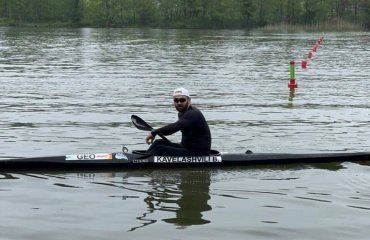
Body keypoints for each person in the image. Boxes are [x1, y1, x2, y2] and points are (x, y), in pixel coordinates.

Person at [145, 87, 211, 156]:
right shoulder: (182, 113)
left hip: (198, 153)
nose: (179, 103)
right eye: (176, 100)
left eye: (182, 100)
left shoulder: (193, 114)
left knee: (159, 149)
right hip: (186, 147)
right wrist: (155, 133)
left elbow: (174, 127)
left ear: (189, 100)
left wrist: (154, 132)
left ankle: (142, 161)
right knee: (158, 142)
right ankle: (143, 157)